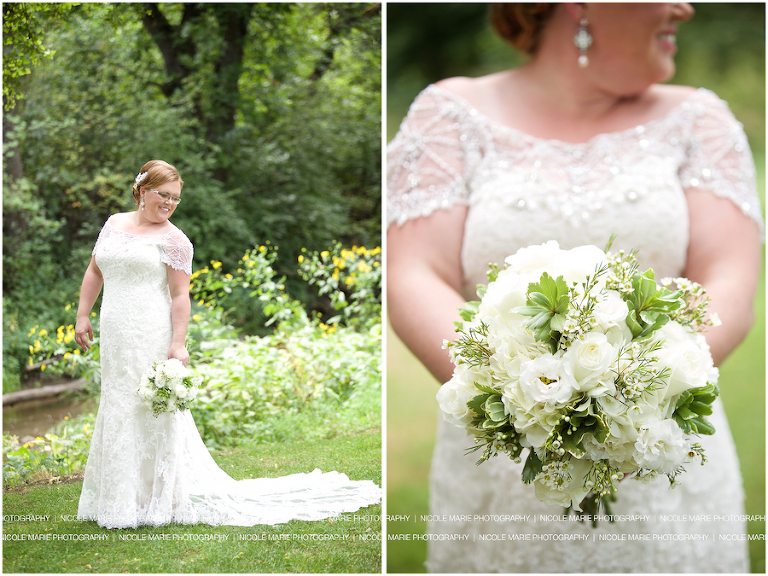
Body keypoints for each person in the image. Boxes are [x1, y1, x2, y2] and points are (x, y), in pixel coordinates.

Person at [387, 3, 762, 572]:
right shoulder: (449, 114)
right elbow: (416, 273)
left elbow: (727, 278)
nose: (684, 8)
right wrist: (513, 397)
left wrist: (637, 401)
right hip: (498, 472)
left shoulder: (700, 121)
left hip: (662, 458)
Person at [75, 159, 380, 528]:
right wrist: (83, 315)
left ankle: (158, 501)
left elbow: (179, 297)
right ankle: (119, 498)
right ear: (142, 191)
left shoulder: (175, 240)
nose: (170, 203)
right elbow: (95, 270)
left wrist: (179, 344)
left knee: (150, 406)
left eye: (176, 198)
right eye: (164, 195)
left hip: (150, 333)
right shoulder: (114, 225)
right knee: (119, 403)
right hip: (116, 335)